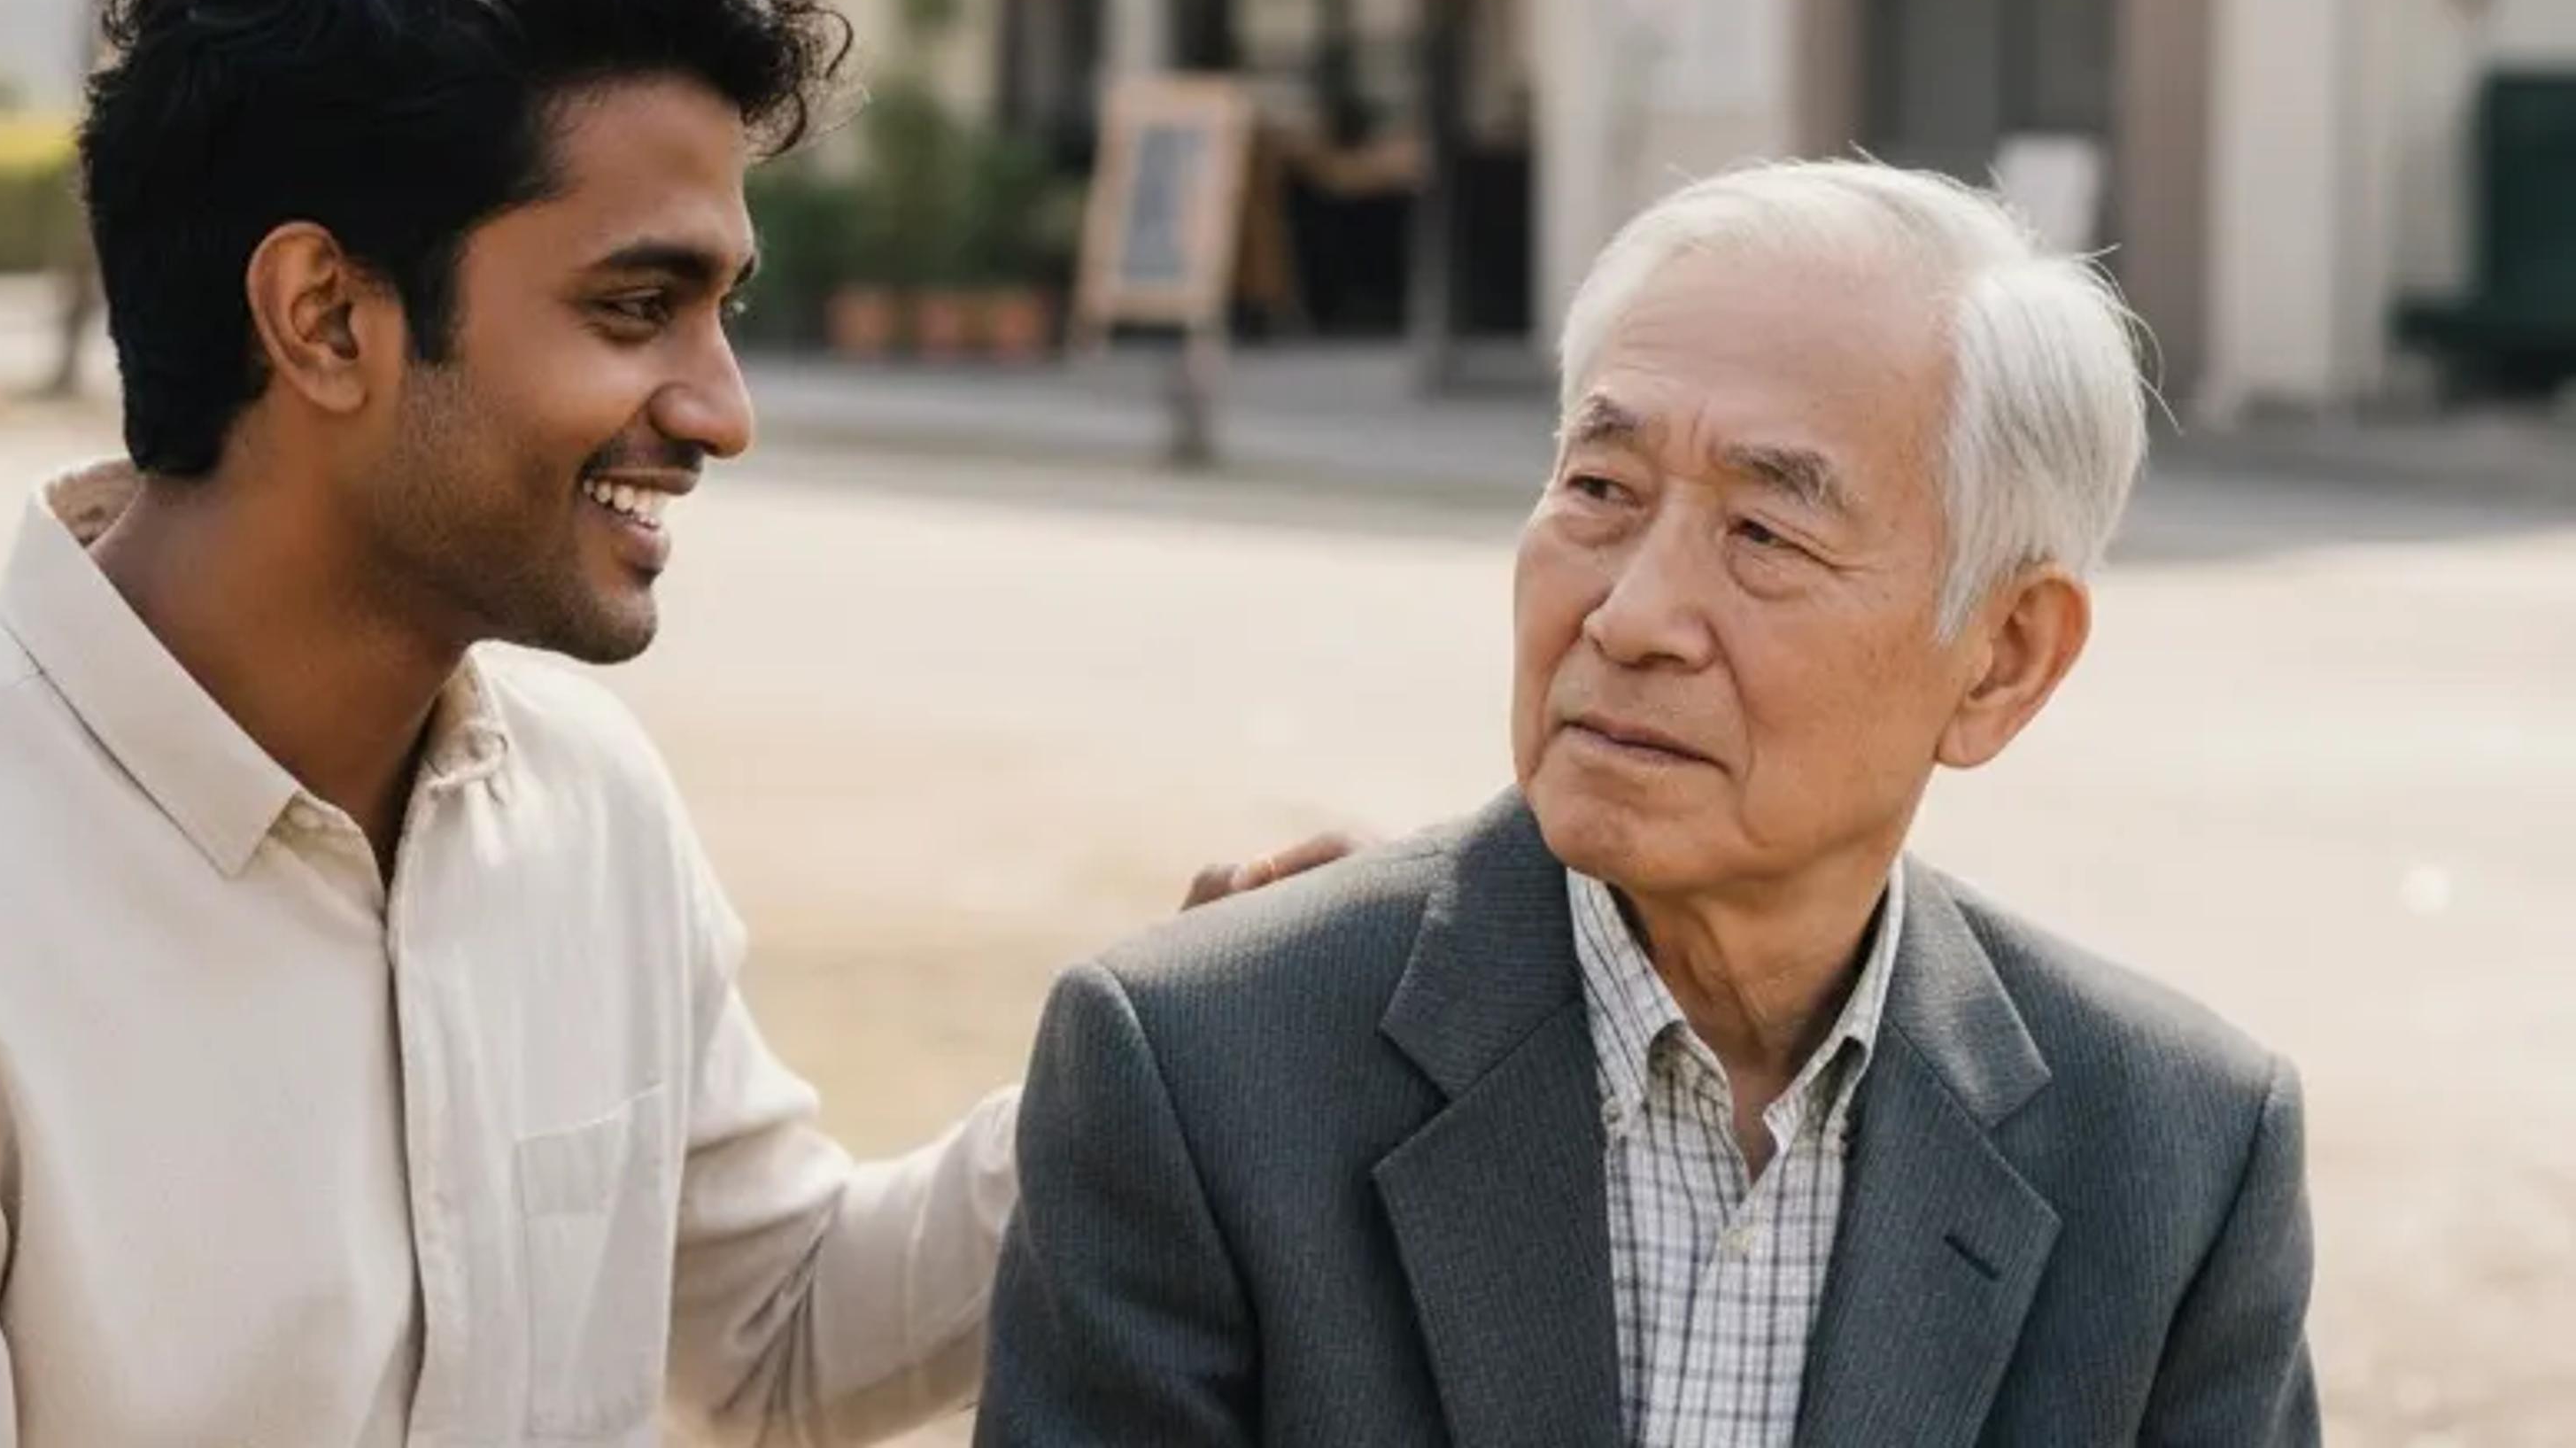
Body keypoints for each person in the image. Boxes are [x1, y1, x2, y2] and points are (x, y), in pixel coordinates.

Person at [0, 0, 1335, 1448]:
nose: (719, 410)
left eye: (721, 313)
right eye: (637, 306)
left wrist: (1154, 1075)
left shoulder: (581, 812)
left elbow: (777, 1332)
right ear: (325, 316)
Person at [978, 161, 2317, 1447]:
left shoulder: (2176, 1157)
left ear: (2004, 658)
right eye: (1601, 490)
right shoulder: (1202, 1073)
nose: (1630, 617)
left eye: (1766, 533)